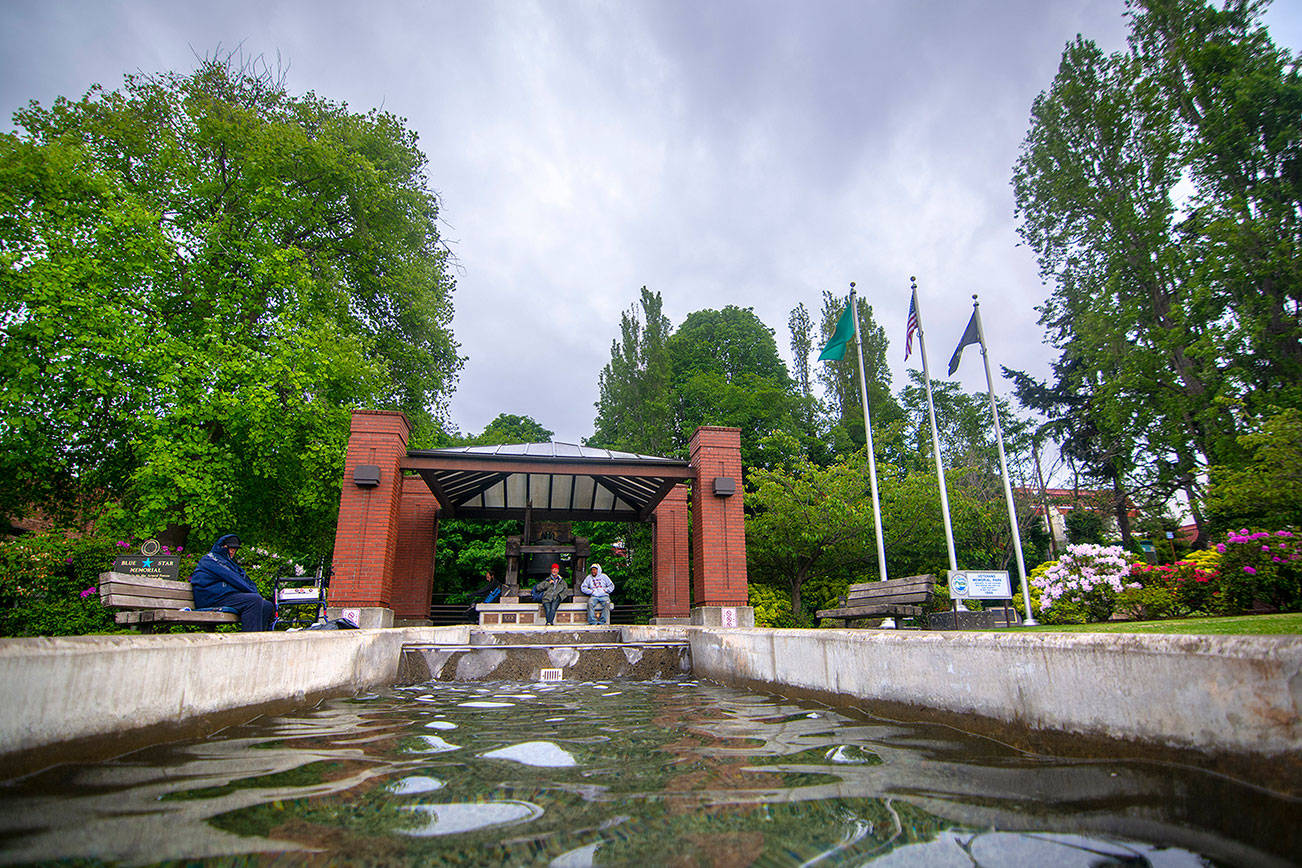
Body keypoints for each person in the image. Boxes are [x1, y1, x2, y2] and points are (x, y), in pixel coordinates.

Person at [188, 534, 275, 631]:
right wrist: (253, 592)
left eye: (235, 548)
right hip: (210, 599)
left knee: (266, 605)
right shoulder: (211, 559)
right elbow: (235, 580)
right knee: (254, 600)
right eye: (230, 548)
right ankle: (249, 641)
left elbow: (244, 579)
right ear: (222, 547)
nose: (232, 551)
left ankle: (259, 641)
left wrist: (252, 590)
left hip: (223, 596)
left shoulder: (227, 562)